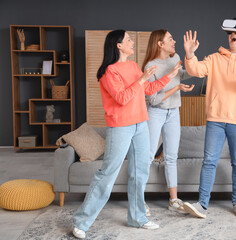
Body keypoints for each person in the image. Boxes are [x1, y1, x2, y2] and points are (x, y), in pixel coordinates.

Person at [72, 29, 182, 239]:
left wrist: (170, 75)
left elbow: (148, 90)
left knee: (140, 173)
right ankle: (81, 221)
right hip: (120, 126)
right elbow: (122, 98)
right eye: (128, 40)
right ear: (118, 45)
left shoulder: (132, 66)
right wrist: (141, 80)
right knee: (107, 174)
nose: (132, 43)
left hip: (141, 124)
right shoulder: (108, 72)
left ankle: (137, 217)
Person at [181, 19, 236, 219]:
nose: (231, 36)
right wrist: (190, 54)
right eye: (229, 33)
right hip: (216, 118)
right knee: (209, 161)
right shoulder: (215, 58)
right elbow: (196, 70)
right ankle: (202, 204)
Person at [142, 29, 194, 214]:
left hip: (174, 112)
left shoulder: (176, 57)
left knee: (171, 157)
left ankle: (173, 200)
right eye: (170, 39)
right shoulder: (151, 66)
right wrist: (176, 87)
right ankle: (140, 201)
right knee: (147, 156)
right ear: (160, 44)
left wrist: (191, 57)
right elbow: (154, 99)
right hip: (156, 112)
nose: (174, 41)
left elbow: (182, 75)